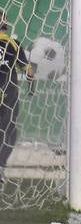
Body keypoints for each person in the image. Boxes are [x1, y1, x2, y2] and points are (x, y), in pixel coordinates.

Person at [0, 12, 34, 180]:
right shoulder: (13, 43)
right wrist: (31, 86)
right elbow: (28, 69)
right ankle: (0, 166)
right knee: (7, 130)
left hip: (7, 93)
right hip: (8, 93)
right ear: (5, 24)